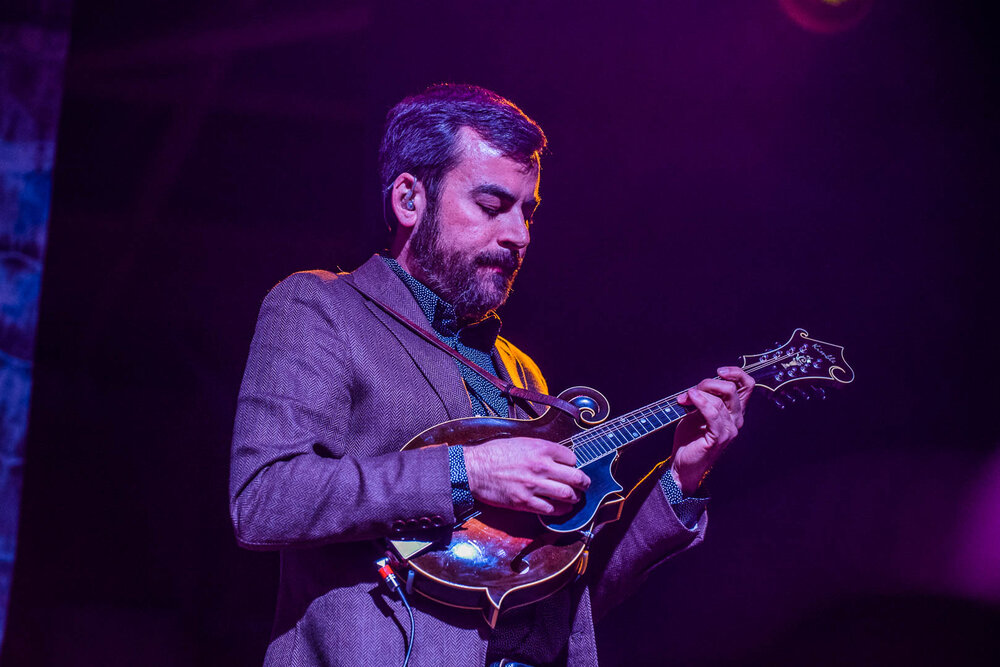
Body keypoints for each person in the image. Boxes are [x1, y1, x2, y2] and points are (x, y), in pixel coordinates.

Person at [230, 84, 754, 667]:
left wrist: (682, 477)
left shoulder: (519, 370)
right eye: (491, 205)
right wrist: (467, 471)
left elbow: (561, 601)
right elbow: (264, 497)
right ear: (409, 200)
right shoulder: (322, 309)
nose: (519, 235)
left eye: (527, 211)